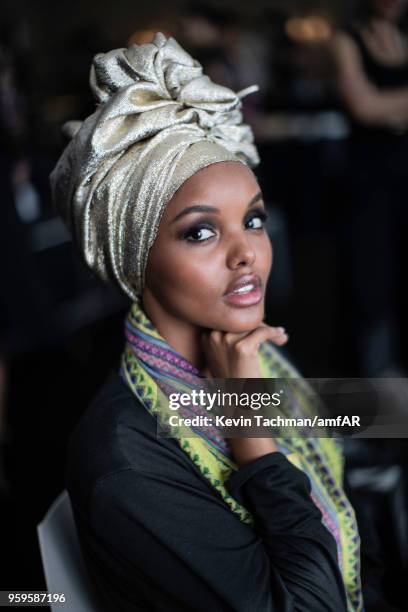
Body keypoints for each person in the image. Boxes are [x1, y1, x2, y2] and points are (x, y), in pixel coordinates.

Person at [51, 33, 363, 611]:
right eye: (201, 231)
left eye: (253, 219)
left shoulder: (249, 352)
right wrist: (249, 425)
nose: (248, 254)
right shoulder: (127, 466)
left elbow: (358, 425)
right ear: (134, 256)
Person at [331, 0, 408, 376]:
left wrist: (388, 107)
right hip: (370, 180)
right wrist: (385, 110)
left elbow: (377, 105)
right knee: (371, 282)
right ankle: (373, 401)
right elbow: (363, 106)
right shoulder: (347, 37)